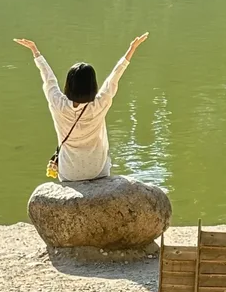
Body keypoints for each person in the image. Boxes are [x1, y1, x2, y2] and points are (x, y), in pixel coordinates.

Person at [13, 33, 149, 182]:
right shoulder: (100, 104)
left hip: (68, 174)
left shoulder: (58, 104)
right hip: (99, 172)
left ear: (69, 85)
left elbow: (48, 79)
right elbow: (114, 78)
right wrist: (131, 49)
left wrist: (35, 51)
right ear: (93, 85)